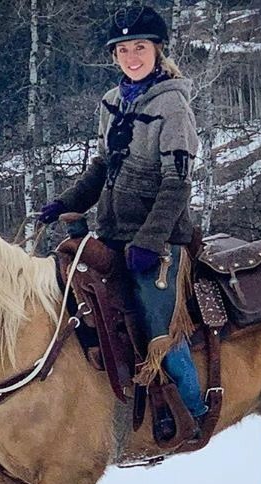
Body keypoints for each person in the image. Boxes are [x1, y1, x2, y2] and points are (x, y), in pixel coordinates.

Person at [39, 4, 206, 424]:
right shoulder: (112, 102)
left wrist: (150, 240)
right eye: (124, 49)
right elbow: (102, 168)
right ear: (114, 56)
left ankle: (193, 411)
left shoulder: (173, 107)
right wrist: (67, 202)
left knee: (159, 330)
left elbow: (177, 183)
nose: (132, 57)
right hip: (113, 233)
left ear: (157, 50)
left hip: (160, 241)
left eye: (140, 48)